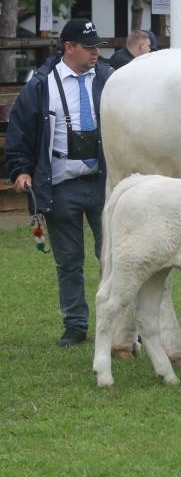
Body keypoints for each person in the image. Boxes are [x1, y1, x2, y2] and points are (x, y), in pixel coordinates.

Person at [5, 18, 114, 347]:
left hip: (104, 182)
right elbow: (20, 131)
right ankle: (76, 325)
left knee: (112, 257)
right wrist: (20, 170)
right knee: (69, 261)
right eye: (89, 47)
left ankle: (119, 323)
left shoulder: (110, 79)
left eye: (98, 47)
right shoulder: (41, 84)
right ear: (69, 47)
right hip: (60, 184)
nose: (96, 52)